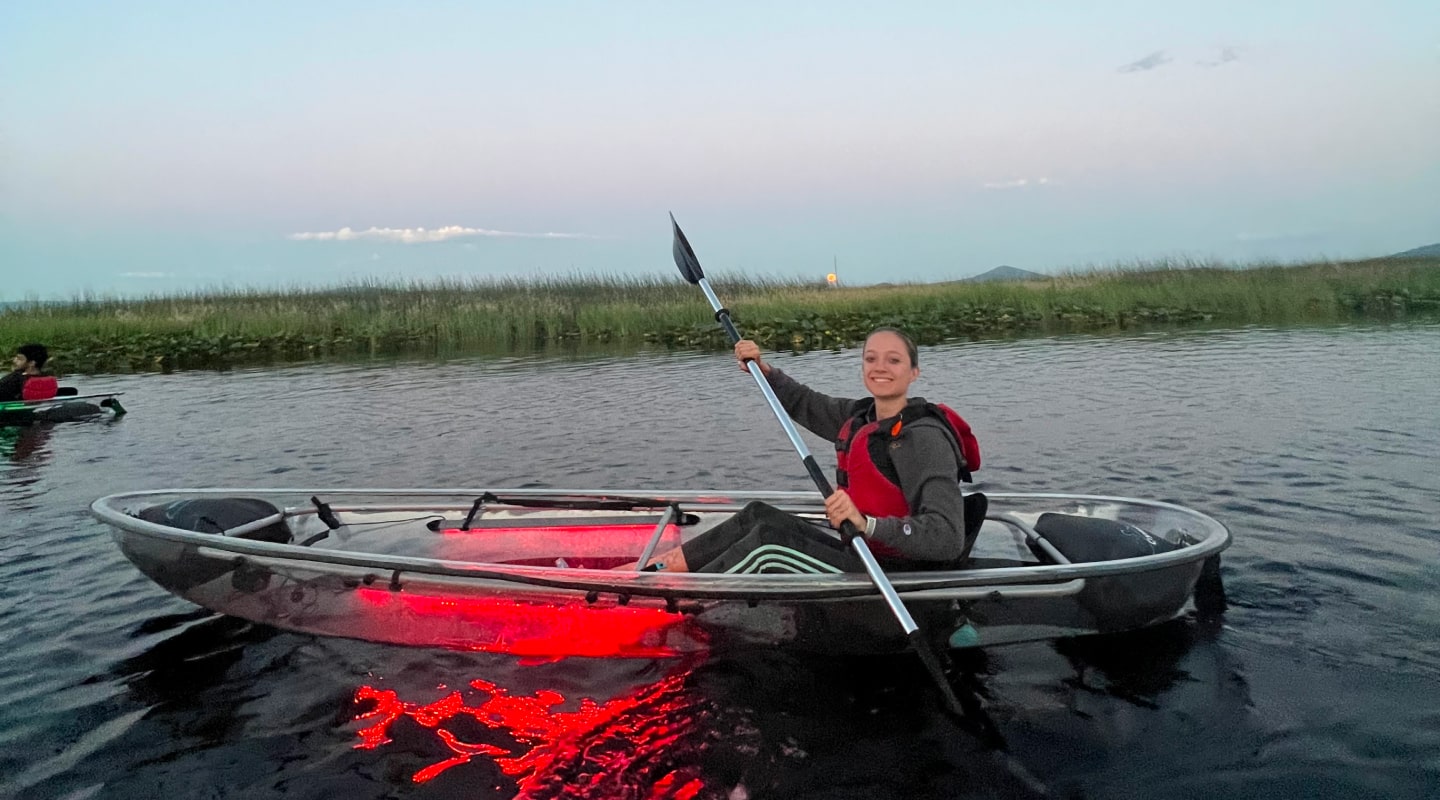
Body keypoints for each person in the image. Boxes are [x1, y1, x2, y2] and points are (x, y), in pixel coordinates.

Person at [625, 327, 983, 574]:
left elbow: (947, 539)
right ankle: (656, 571)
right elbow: (805, 403)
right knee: (759, 516)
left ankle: (680, 600)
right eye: (871, 359)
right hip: (860, 553)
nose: (880, 368)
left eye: (893, 361)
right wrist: (762, 371)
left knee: (768, 544)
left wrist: (867, 523)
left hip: (895, 574)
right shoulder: (862, 417)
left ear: (914, 372)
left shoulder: (924, 439)